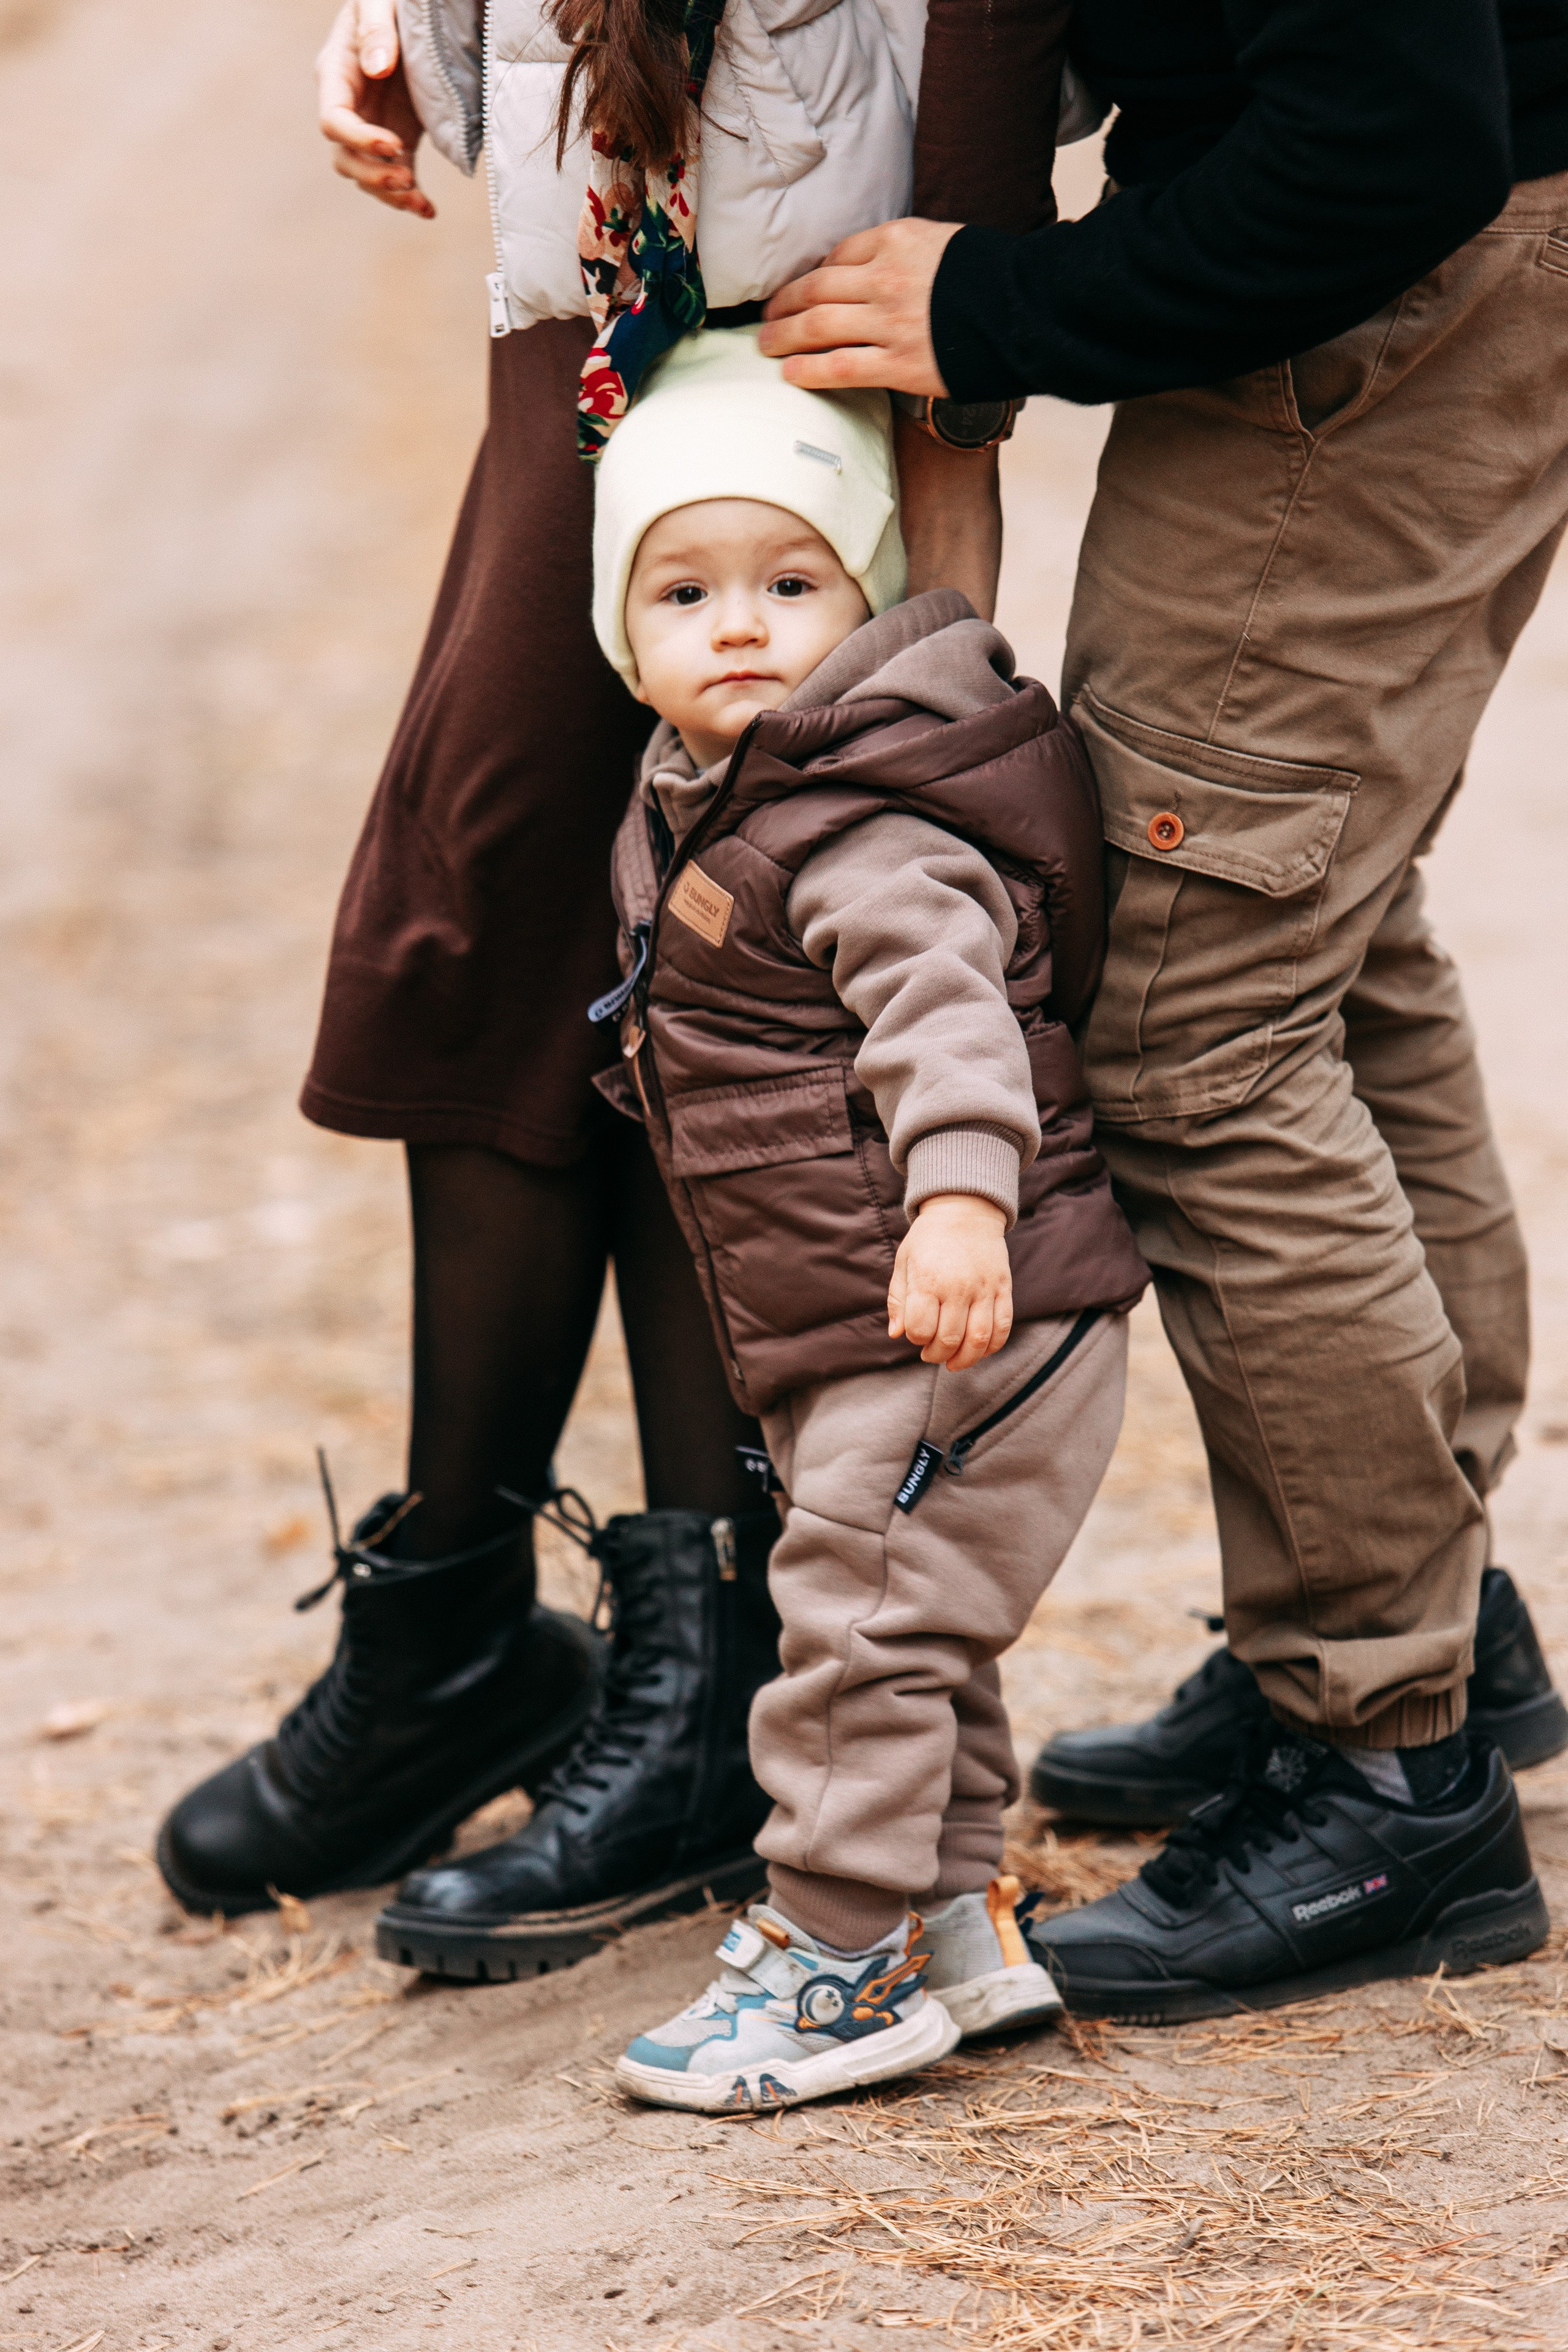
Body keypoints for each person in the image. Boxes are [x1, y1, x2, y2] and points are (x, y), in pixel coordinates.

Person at [156, 0, 1005, 1965]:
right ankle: (473, 1620)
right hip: (594, 286)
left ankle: (693, 1673)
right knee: (517, 925)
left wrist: (969, 349)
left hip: (798, 300)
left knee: (702, 951)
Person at [752, 0, 1568, 2019]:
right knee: (1324, 944)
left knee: (1198, 1021)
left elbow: (1393, 133)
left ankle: (1386, 1761)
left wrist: (999, 305)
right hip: (1431, 257)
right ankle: (1437, 1624)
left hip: (1398, 282)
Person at [540, 325, 1147, 2111]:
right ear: (623, 628)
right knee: (909, 1623)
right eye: (684, 593)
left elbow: (950, 1024)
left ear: (866, 595)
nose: (738, 625)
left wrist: (960, 1204)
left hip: (964, 1298)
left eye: (791, 582)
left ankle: (827, 1961)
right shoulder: (707, 802)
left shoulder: (864, 822)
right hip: (864, 1311)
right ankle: (950, 1925)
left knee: (860, 1627)